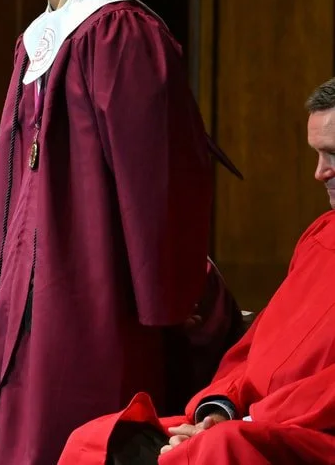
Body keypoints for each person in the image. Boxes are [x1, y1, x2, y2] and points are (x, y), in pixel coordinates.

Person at [0, 0, 216, 464]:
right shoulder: (39, 38)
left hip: (90, 301)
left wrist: (160, 304)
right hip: (27, 297)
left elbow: (156, 179)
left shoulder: (119, 32)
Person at [57, 76, 335, 464]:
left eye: (334, 155)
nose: (320, 173)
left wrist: (248, 419)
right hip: (252, 423)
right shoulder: (321, 236)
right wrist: (217, 410)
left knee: (218, 447)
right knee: (100, 438)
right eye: (318, 155)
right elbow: (256, 350)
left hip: (309, 437)